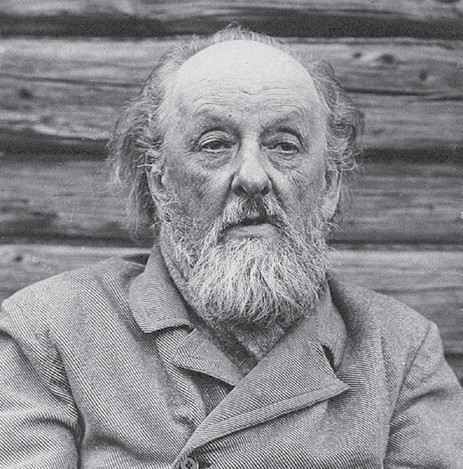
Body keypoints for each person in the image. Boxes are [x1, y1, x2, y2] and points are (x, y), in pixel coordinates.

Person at [0, 27, 461, 469]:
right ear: (160, 182)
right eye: (215, 144)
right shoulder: (51, 331)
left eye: (284, 146)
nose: (253, 177)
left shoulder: (399, 351)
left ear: (329, 186)